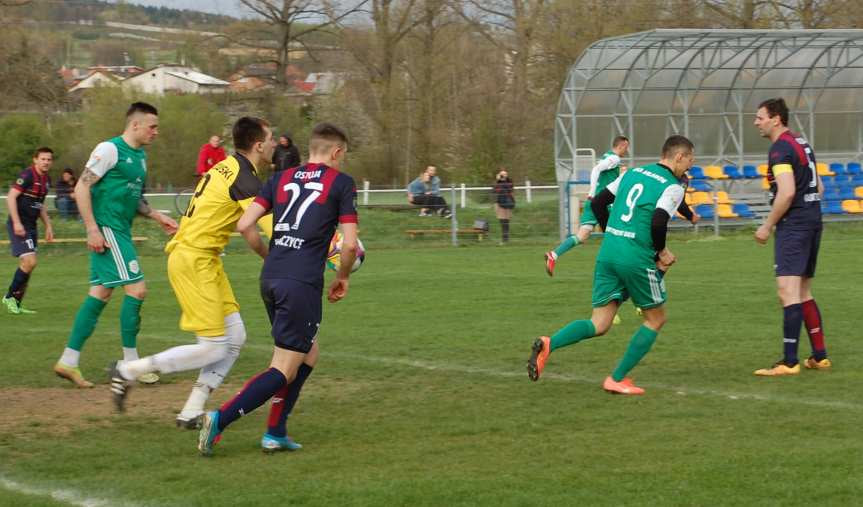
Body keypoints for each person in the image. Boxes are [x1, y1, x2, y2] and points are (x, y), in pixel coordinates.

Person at [198, 122, 358, 456]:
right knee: (284, 368)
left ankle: (276, 431)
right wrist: (343, 277)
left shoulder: (279, 178)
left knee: (306, 354)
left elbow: (245, 225)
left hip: (272, 277)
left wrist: (270, 257)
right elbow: (349, 245)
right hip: (301, 283)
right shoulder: (341, 183)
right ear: (337, 152)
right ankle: (220, 418)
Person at [108, 117, 276, 424]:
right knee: (213, 348)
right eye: (272, 138)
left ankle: (192, 410)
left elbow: (254, 230)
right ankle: (128, 370)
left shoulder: (229, 167)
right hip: (193, 259)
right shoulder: (245, 178)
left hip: (203, 257)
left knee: (235, 336)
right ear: (259, 144)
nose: (276, 144)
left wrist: (271, 254)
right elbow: (273, 228)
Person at [526, 135, 695, 395]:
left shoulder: (633, 172)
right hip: (635, 256)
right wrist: (661, 251)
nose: (690, 166)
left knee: (599, 323)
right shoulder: (673, 185)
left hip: (608, 253)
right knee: (656, 319)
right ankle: (617, 378)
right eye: (690, 160)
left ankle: (550, 343)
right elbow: (659, 221)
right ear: (679, 156)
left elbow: (597, 202)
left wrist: (611, 232)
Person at [53, 102, 178, 389]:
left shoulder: (141, 157)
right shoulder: (109, 149)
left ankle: (68, 361)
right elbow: (81, 188)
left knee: (100, 293)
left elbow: (133, 199)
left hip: (118, 228)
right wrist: (92, 229)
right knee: (137, 289)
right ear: (135, 125)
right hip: (108, 230)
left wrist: (158, 216)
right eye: (152, 126)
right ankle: (131, 366)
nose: (156, 132)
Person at [752, 98, 829, 376]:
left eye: (760, 117)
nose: (756, 122)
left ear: (776, 119)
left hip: (794, 226)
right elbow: (818, 185)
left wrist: (767, 225)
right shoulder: (801, 142)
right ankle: (819, 356)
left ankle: (789, 361)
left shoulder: (780, 149)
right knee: (803, 290)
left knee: (787, 292)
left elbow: (786, 192)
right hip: (812, 221)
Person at [545, 136, 699, 275]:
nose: (627, 150)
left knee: (584, 236)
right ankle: (650, 276)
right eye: (626, 147)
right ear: (620, 146)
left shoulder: (610, 158)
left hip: (603, 201)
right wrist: (592, 191)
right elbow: (596, 169)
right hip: (604, 201)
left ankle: (555, 255)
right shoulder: (614, 159)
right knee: (633, 238)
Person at [3, 147, 55, 315]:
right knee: (30, 262)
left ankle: (16, 303)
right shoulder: (27, 175)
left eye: (49, 159)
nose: (46, 162)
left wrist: (48, 226)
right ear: (35, 160)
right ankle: (9, 297)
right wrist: (17, 223)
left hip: (31, 226)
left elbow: (40, 206)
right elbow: (11, 197)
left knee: (28, 266)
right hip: (19, 225)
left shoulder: (46, 180)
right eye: (43, 159)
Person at [493, 168, 515, 243]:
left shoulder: (509, 182)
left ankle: (506, 238)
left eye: (505, 174)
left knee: (507, 221)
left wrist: (502, 181)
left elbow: (510, 189)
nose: (504, 176)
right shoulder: (497, 182)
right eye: (502, 174)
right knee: (502, 221)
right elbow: (495, 190)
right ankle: (504, 238)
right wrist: (498, 181)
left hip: (508, 203)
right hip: (500, 203)